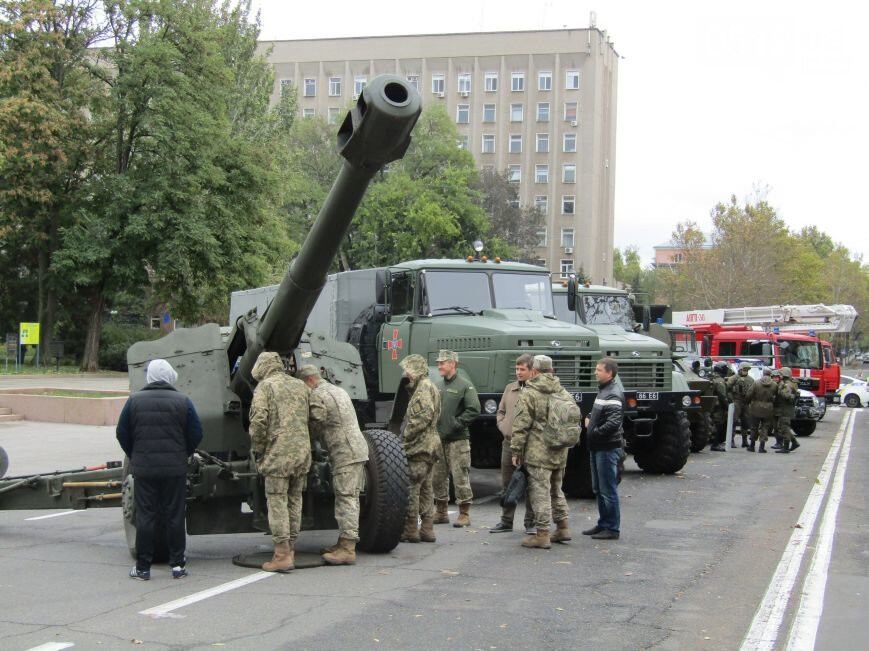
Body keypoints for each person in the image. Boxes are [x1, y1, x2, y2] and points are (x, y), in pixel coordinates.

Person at [116, 359, 202, 581]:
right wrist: (184, 453)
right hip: (175, 469)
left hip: (145, 469)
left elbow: (121, 432)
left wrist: (135, 454)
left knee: (146, 516)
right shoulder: (183, 401)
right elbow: (196, 432)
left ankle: (143, 568)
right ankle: (178, 566)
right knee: (174, 515)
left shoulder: (134, 401)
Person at [249, 352, 312, 572]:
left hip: (277, 456)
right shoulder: (300, 386)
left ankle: (281, 554)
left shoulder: (265, 387)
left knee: (277, 502)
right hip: (302, 454)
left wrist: (258, 450)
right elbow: (316, 415)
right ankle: (291, 548)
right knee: (295, 501)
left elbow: (258, 421)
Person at [299, 365, 369, 564]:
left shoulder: (317, 395)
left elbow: (317, 421)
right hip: (356, 448)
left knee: (346, 498)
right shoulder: (338, 390)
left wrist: (305, 437)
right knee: (350, 496)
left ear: (309, 381)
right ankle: (343, 542)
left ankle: (347, 549)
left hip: (344, 451)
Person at [511, 355, 574, 549]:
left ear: (535, 371)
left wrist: (516, 450)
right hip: (560, 449)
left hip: (538, 451)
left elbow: (521, 424)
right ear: (551, 370)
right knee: (557, 489)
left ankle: (542, 534)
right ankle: (563, 527)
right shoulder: (562, 390)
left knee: (540, 492)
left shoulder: (530, 392)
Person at [432, 350, 480, 528]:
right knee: (437, 477)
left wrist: (456, 424)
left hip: (458, 440)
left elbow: (474, 409)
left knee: (460, 476)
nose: (439, 366)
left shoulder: (465, 386)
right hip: (439, 440)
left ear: (453, 364)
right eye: (439, 363)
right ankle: (441, 512)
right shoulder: (437, 385)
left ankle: (464, 513)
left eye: (442, 363)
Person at [490, 354, 536, 534]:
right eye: (517, 369)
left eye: (522, 369)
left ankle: (530, 523)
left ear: (532, 371)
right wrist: (504, 427)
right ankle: (506, 521)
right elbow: (500, 412)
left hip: (530, 445)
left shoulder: (535, 391)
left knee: (531, 485)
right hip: (508, 444)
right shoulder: (510, 389)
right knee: (507, 484)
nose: (518, 372)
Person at [398, 354, 441, 543]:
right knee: (426, 488)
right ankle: (427, 528)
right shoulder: (430, 386)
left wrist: (406, 436)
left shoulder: (422, 389)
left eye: (407, 369)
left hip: (419, 447)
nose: (405, 373)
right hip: (431, 446)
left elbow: (421, 417)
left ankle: (410, 529)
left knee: (413, 487)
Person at [582, 357, 624, 541]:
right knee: (599, 488)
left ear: (609, 373)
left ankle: (612, 528)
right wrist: (590, 417)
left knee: (608, 489)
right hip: (598, 446)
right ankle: (603, 523)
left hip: (606, 448)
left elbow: (613, 423)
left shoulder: (613, 394)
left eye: (598, 370)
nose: (595, 372)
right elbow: (600, 412)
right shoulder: (604, 391)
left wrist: (594, 430)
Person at [746, 368, 777, 453]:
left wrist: (748, 402)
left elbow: (749, 394)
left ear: (763, 374)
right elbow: (777, 396)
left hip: (755, 407)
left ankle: (752, 446)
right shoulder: (774, 384)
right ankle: (761, 447)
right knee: (765, 427)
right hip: (768, 408)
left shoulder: (756, 383)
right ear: (770, 374)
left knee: (754, 427)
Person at [726, 362, 754, 448]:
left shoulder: (751, 379)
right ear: (740, 369)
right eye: (744, 370)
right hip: (736, 401)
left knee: (745, 422)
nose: (745, 371)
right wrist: (731, 399)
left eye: (747, 370)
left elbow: (752, 391)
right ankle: (731, 440)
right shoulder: (733, 378)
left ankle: (745, 440)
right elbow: (727, 389)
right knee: (733, 421)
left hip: (746, 402)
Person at [773, 367, 800, 454]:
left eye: (780, 374)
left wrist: (780, 389)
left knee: (784, 427)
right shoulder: (790, 383)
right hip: (786, 409)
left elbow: (787, 396)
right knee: (784, 427)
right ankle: (794, 442)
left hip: (785, 409)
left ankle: (786, 447)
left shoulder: (787, 385)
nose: (779, 376)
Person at [708, 362, 730, 452]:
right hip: (718, 407)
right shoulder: (720, 381)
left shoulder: (711, 378)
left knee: (714, 424)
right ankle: (715, 444)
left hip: (711, 405)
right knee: (719, 425)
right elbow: (723, 396)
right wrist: (728, 407)